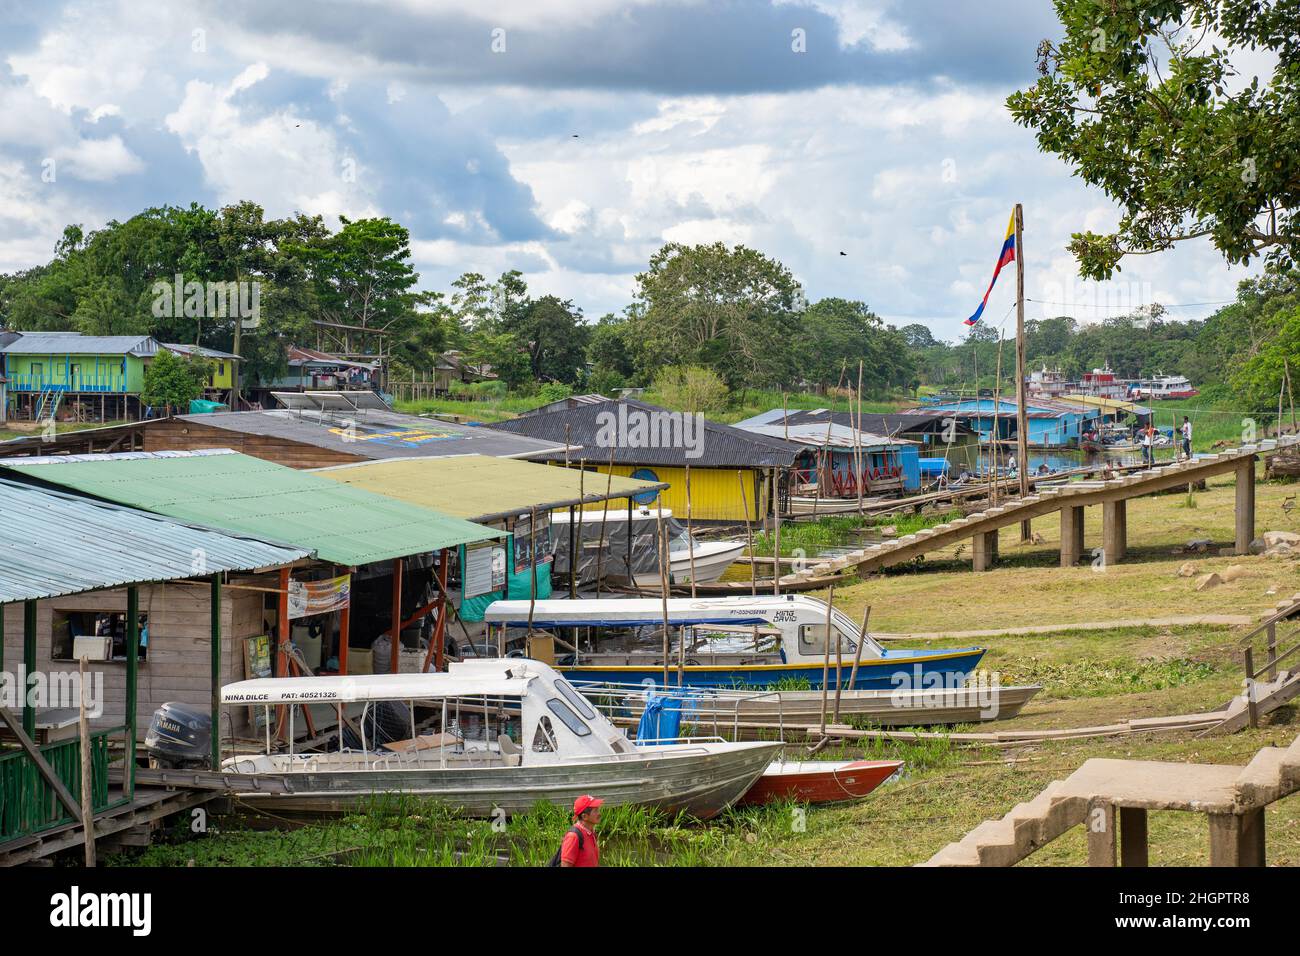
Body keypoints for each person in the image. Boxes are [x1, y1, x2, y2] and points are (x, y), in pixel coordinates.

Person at [553, 795, 602, 867]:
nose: (599, 814)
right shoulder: (573, 837)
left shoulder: (591, 832)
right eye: (595, 811)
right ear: (584, 816)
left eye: (598, 809)